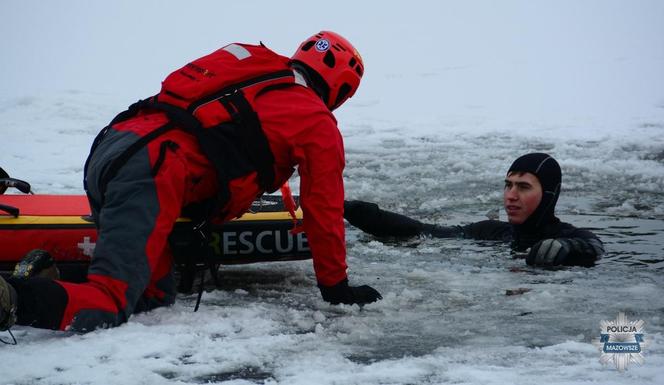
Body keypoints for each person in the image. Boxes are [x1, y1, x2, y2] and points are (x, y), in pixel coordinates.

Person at [1, 31, 382, 333]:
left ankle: (42, 279)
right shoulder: (316, 122)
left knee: (152, 297)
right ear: (342, 89)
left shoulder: (249, 58)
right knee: (109, 303)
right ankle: (10, 300)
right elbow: (323, 207)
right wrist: (336, 286)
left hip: (112, 144)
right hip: (152, 171)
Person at [344, 153, 604, 267]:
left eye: (523, 187)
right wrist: (350, 209)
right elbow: (424, 231)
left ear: (548, 195)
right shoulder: (492, 232)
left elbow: (594, 246)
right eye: (508, 185)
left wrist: (568, 248)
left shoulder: (568, 235)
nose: (511, 195)